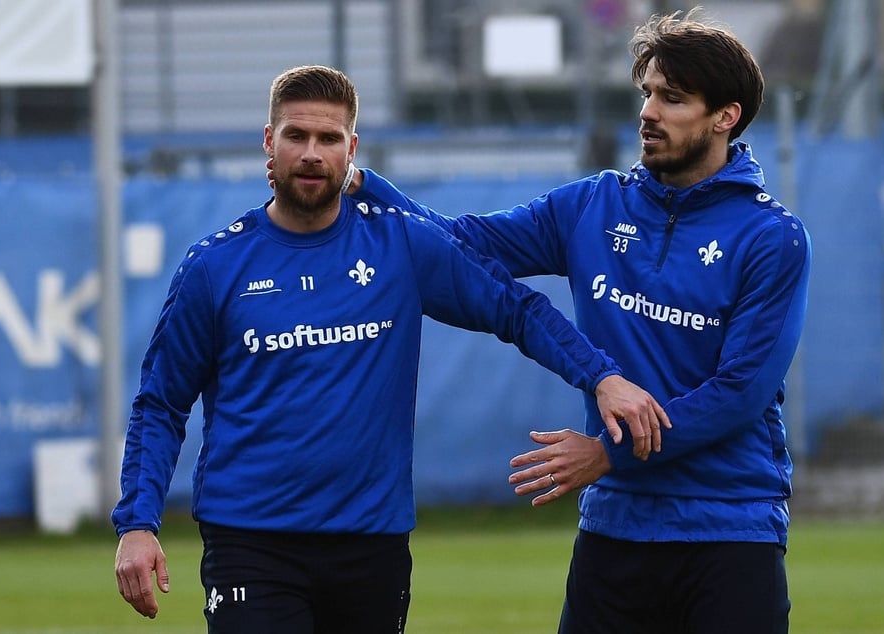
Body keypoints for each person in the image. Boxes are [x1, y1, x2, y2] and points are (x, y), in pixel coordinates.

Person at [112, 64, 669, 633]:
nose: (311, 153)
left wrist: (601, 378)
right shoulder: (214, 267)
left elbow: (516, 309)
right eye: (295, 136)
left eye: (328, 139)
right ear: (268, 143)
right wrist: (138, 522)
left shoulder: (400, 242)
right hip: (251, 543)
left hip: (371, 544)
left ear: (351, 150)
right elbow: (160, 404)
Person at [328, 10, 811, 634]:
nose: (649, 111)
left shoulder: (772, 238)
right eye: (647, 93)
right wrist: (364, 185)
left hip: (728, 530)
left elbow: (739, 393)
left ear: (726, 116)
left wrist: (608, 455)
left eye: (673, 98)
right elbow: (463, 246)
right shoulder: (593, 205)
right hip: (617, 526)